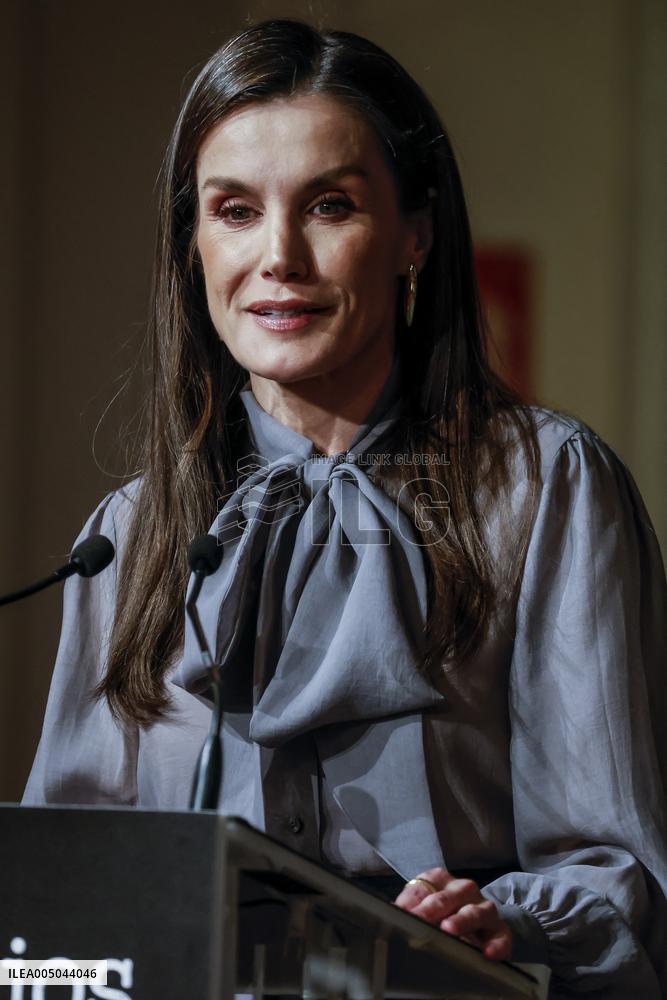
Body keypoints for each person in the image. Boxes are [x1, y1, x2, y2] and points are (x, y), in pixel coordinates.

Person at [22, 17, 667, 997]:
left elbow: (617, 871)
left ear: (414, 232)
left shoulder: (546, 489)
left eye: (329, 205)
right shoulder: (129, 533)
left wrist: (501, 919)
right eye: (233, 211)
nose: (278, 255)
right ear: (190, 248)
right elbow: (61, 894)